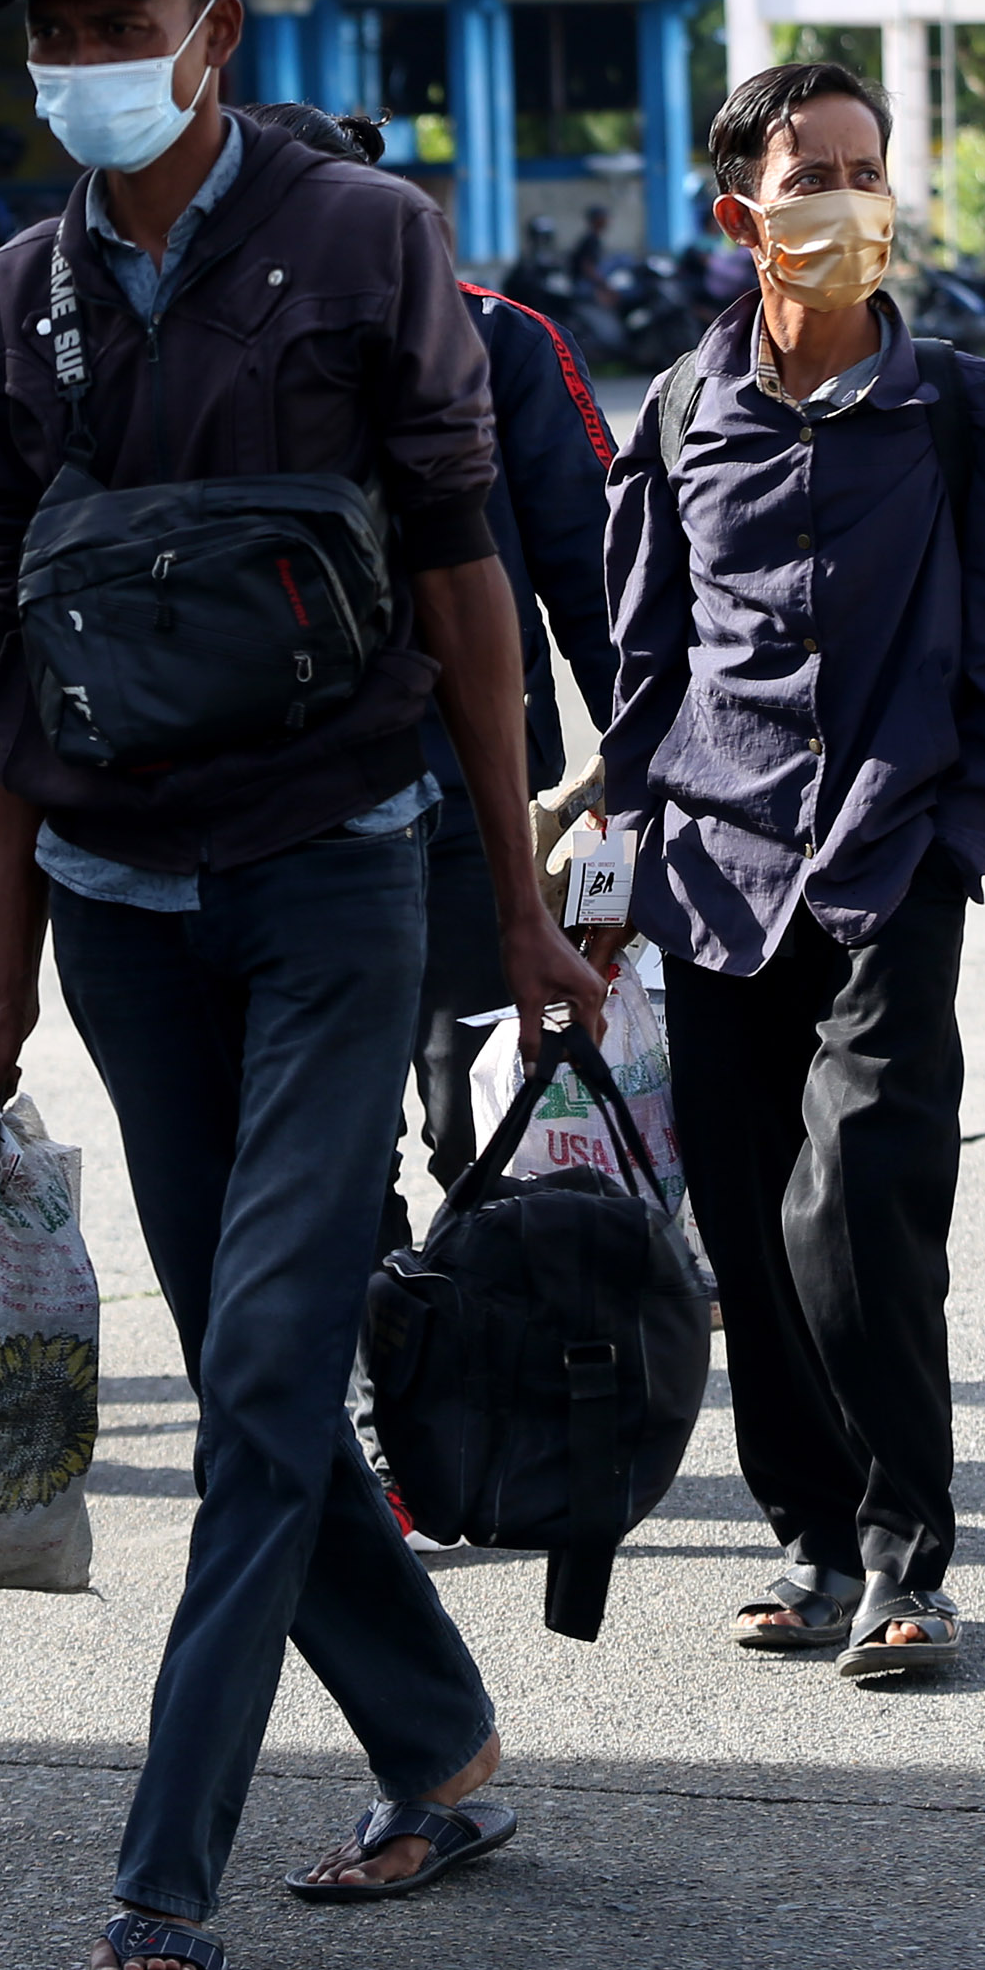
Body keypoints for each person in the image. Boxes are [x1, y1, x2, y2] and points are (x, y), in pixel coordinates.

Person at [0, 0, 599, 1970]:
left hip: (333, 870)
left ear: (218, 34)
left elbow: (463, 584)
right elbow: (12, 649)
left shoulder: (365, 243)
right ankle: (440, 1743)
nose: (86, 60)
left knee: (264, 1380)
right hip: (120, 907)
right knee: (248, 1370)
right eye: (56, 27)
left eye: (125, 21)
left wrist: (517, 903)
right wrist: (9, 968)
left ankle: (160, 1885)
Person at [598, 60, 985, 1686]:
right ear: (743, 215)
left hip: (891, 860)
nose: (850, 204)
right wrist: (627, 842)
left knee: (861, 1201)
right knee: (745, 1225)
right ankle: (806, 1538)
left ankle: (906, 1553)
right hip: (717, 874)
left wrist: (961, 836)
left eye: (869, 171)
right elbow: (644, 655)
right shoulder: (675, 413)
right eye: (814, 176)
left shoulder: (971, 411)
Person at [254, 103, 621, 1201]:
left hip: (475, 800)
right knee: (326, 1133)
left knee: (485, 1099)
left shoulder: (501, 339)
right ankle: (362, 1344)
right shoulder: (213, 363)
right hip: (287, 809)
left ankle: (488, 1328)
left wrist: (641, 767)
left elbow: (597, 580)